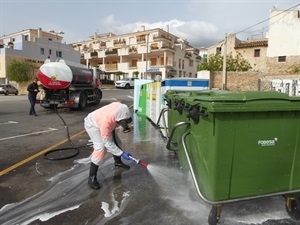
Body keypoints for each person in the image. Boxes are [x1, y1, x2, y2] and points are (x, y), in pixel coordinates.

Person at [84, 102, 133, 189]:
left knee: (117, 141)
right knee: (100, 148)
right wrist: (121, 153)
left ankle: (118, 162)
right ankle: (91, 178)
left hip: (104, 120)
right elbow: (108, 143)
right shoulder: (106, 123)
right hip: (92, 124)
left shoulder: (121, 108)